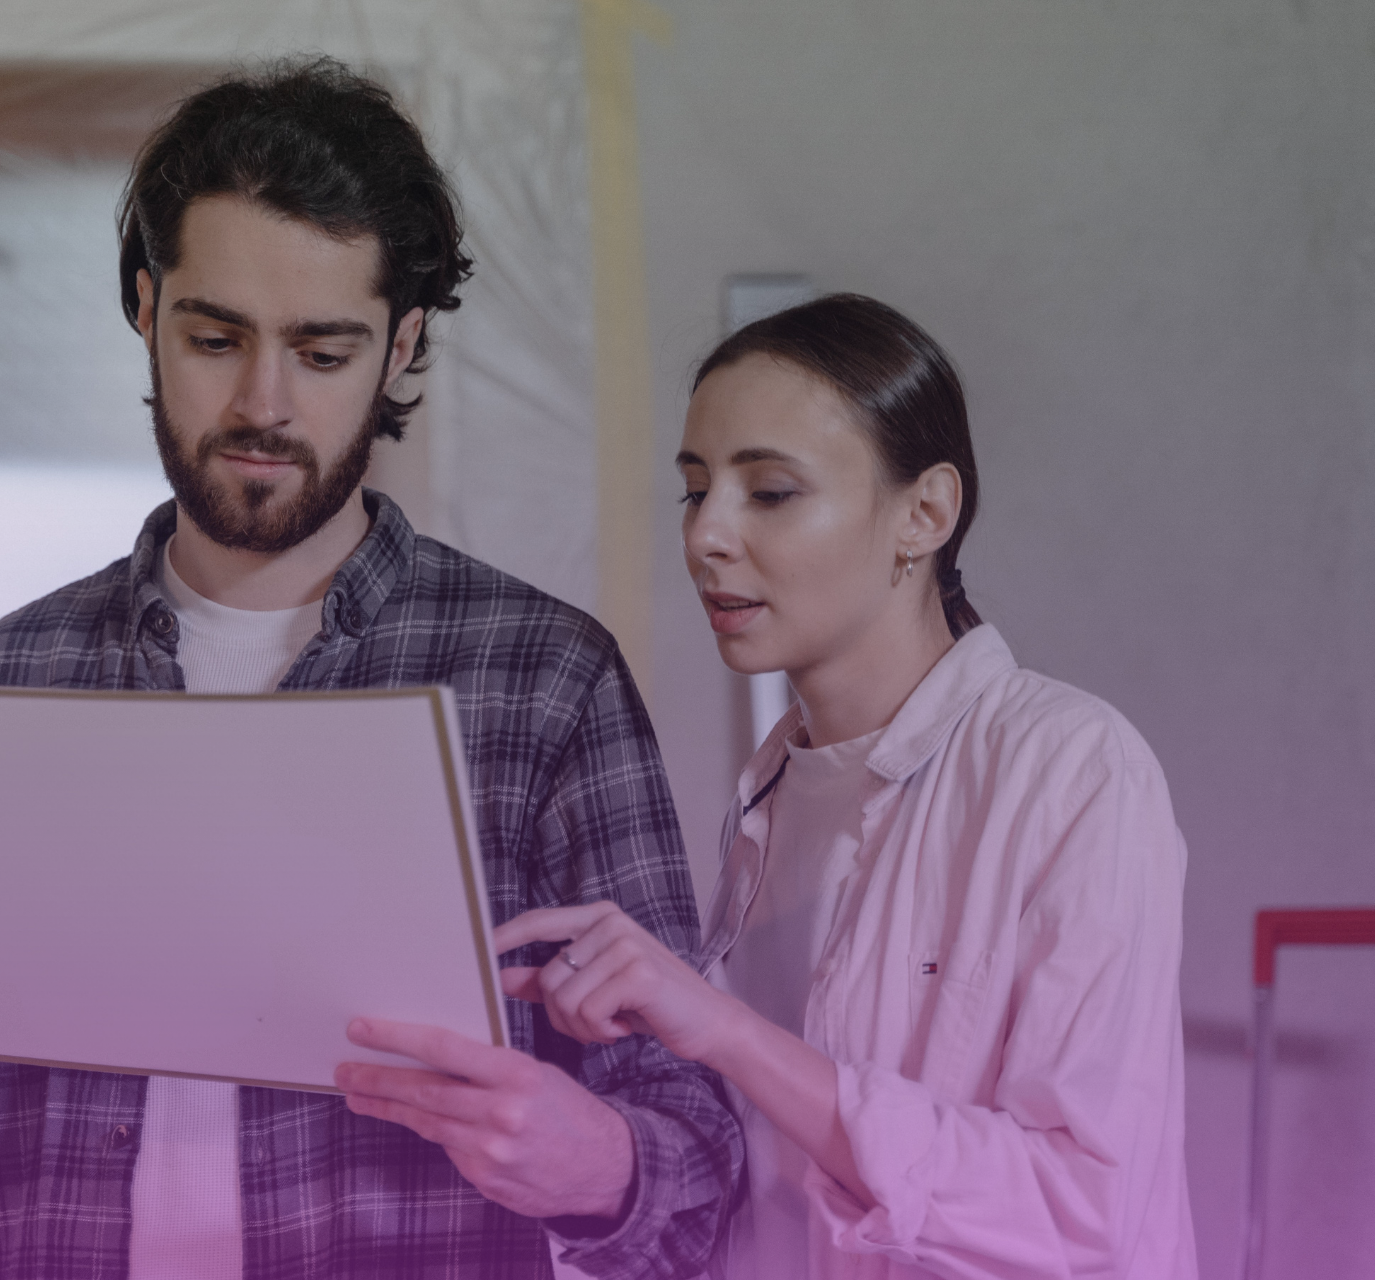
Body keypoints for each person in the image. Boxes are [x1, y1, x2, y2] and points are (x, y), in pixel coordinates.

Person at [0, 58, 736, 1280]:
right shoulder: (7, 677)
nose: (263, 403)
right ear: (146, 309)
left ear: (402, 345)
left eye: (322, 351)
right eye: (216, 337)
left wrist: (602, 1164)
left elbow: (694, 1172)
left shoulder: (543, 678)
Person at [498, 294, 1196, 1278]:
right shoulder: (771, 791)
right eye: (695, 490)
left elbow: (1083, 1211)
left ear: (925, 511)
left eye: (770, 491)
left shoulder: (1072, 770)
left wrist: (728, 1031)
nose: (706, 536)